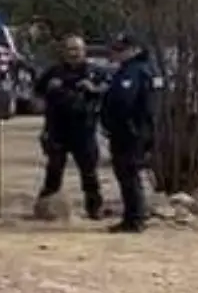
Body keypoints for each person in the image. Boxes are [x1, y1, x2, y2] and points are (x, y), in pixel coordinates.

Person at [35, 33, 105, 220]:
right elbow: (37, 94)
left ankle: (94, 208)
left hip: (84, 129)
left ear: (84, 51)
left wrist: (94, 90)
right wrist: (50, 91)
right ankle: (45, 207)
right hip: (57, 128)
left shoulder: (95, 72)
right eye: (70, 49)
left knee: (89, 172)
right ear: (63, 52)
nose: (74, 53)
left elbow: (108, 93)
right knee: (54, 169)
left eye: (77, 49)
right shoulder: (53, 72)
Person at [100, 32, 160, 233]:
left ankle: (135, 219)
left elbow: (125, 102)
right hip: (125, 132)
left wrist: (121, 124)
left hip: (131, 133)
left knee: (129, 175)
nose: (117, 53)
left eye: (122, 50)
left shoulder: (135, 71)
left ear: (135, 50)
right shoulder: (127, 70)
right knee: (126, 175)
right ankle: (132, 216)